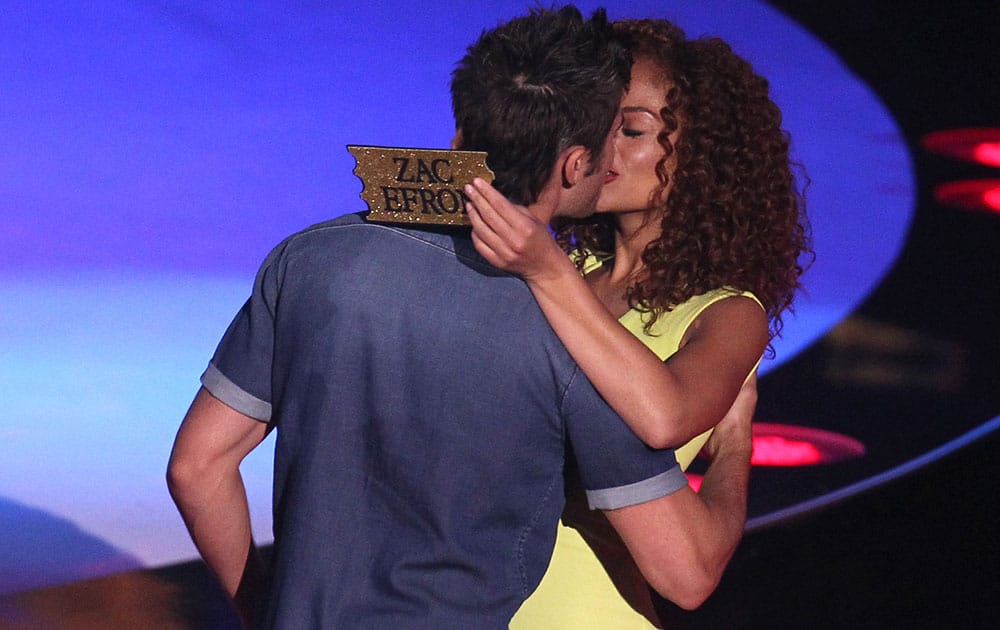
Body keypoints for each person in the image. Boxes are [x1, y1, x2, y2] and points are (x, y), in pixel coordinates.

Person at [167, 7, 754, 628]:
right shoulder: (573, 338)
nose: (617, 155)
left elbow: (195, 466)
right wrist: (737, 444)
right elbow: (686, 571)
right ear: (577, 164)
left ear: (459, 136)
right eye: (617, 131)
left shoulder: (309, 261)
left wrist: (264, 607)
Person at [464, 17, 811, 628]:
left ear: (701, 155)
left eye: (631, 129)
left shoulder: (726, 312)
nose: (605, 145)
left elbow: (664, 415)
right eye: (596, 122)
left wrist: (735, 447)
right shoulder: (563, 271)